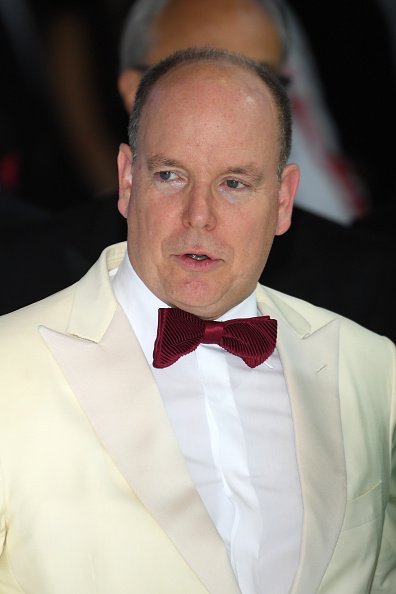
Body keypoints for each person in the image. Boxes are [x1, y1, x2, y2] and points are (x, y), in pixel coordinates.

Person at [0, 48, 394, 594]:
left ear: (283, 201)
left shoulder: (375, 369)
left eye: (234, 183)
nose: (199, 216)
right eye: (170, 175)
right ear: (127, 179)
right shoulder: (9, 371)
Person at [118, 0, 369, 224]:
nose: (242, 102)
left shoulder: (356, 267)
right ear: (136, 93)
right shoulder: (81, 266)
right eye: (207, 74)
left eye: (266, 78)